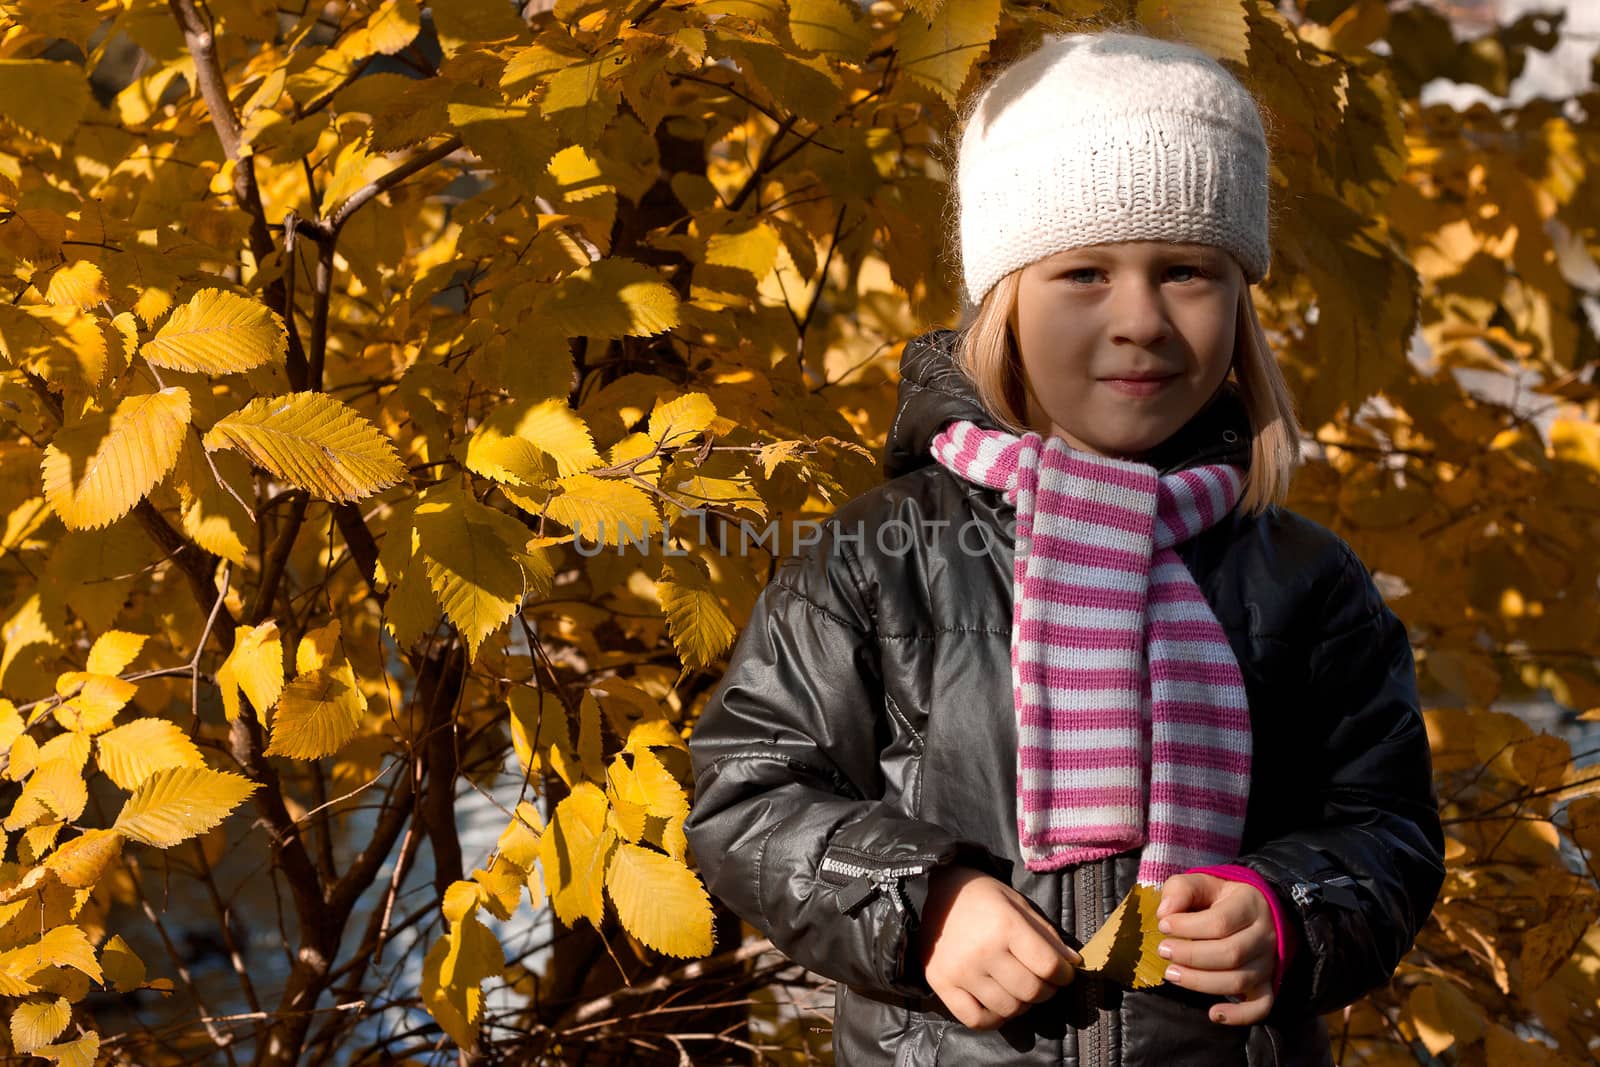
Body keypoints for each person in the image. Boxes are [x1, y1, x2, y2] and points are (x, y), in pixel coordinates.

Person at [682, 27, 1445, 1067]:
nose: (1139, 318)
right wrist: (922, 898)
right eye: (1084, 272)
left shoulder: (1306, 581)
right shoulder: (876, 557)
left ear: (1239, 300)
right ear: (1003, 300)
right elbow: (746, 792)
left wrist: (1290, 910)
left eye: (1185, 270)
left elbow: (1384, 824)